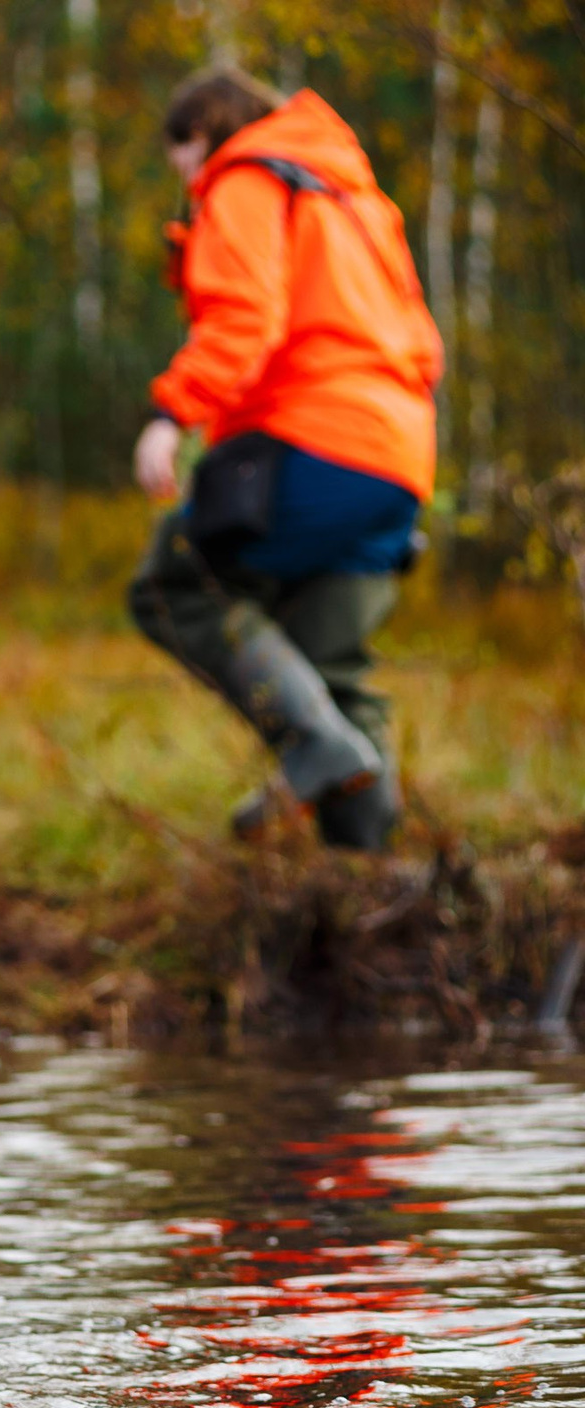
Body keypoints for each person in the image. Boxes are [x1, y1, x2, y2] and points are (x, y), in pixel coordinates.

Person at [126, 68, 443, 851]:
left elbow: (246, 315)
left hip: (315, 443)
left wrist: (172, 414)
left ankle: (313, 744)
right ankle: (370, 882)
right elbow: (419, 339)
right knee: (331, 665)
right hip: (398, 460)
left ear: (206, 132)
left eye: (183, 160)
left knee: (174, 583)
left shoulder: (246, 176)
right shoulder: (354, 200)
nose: (187, 183)